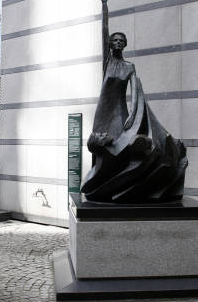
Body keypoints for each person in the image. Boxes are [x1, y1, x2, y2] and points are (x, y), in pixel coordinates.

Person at [81, 32, 188, 202]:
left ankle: (119, 183)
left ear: (125, 45)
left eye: (121, 41)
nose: (117, 42)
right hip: (103, 112)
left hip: (120, 111)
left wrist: (132, 114)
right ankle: (96, 181)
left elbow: (135, 90)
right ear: (110, 43)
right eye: (115, 40)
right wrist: (104, 6)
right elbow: (103, 30)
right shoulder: (106, 63)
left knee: (117, 147)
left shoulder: (129, 66)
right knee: (98, 146)